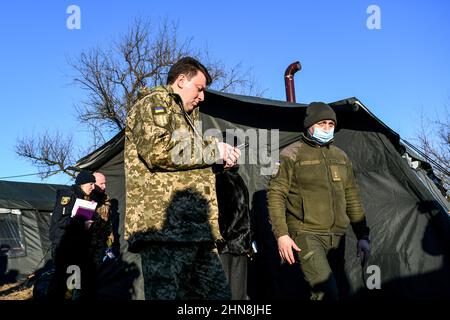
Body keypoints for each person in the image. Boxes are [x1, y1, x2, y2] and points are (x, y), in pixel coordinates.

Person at [124, 56, 240, 300]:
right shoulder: (153, 104)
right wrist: (212, 150)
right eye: (199, 89)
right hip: (164, 232)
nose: (202, 97)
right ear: (180, 80)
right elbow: (157, 151)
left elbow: (186, 166)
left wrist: (218, 162)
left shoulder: (189, 118)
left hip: (196, 231)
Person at [268, 102, 371, 300]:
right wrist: (281, 234)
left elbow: (352, 196)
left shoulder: (341, 156)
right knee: (326, 293)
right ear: (310, 125)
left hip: (337, 236)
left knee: (338, 290)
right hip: (306, 234)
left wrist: (363, 236)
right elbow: (276, 195)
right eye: (322, 123)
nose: (326, 128)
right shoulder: (290, 154)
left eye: (330, 124)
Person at [48, 170, 97, 300]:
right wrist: (83, 223)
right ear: (81, 183)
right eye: (91, 184)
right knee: (60, 285)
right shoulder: (68, 196)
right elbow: (61, 220)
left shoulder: (83, 198)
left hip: (76, 248)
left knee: (73, 283)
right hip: (64, 248)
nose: (93, 187)